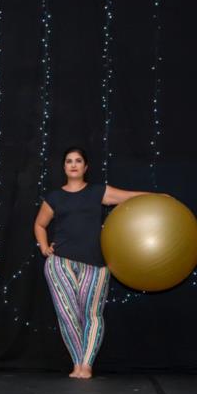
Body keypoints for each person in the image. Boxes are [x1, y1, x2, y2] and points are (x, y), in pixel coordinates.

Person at [33, 147, 153, 379]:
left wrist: (157, 197)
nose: (73, 164)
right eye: (69, 161)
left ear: (85, 167)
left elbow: (129, 196)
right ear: (64, 167)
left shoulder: (99, 192)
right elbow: (39, 224)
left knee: (92, 315)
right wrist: (44, 247)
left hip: (96, 265)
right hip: (60, 263)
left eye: (78, 161)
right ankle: (77, 363)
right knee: (68, 314)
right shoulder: (54, 197)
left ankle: (86, 365)